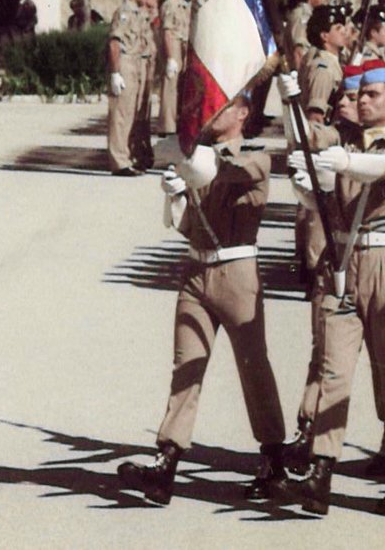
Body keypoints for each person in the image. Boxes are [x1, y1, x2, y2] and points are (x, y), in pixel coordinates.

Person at [116, 92, 288, 504]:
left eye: (223, 104)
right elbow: (191, 224)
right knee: (185, 367)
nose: (211, 111)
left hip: (237, 272)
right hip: (196, 271)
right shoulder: (199, 156)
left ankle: (274, 460)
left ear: (244, 114)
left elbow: (227, 173)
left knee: (253, 367)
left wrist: (189, 166)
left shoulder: (255, 157)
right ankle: (166, 463)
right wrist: (175, 194)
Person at [277, 60, 385, 516]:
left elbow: (382, 166)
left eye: (374, 95)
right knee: (333, 368)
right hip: (341, 260)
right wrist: (290, 102)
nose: (363, 100)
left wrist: (343, 162)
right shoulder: (341, 141)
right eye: (359, 94)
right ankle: (321, 470)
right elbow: (302, 139)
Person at [106, 0, 155, 175]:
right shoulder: (124, 13)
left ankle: (129, 156)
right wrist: (115, 73)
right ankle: (119, 161)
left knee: (134, 113)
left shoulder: (138, 12)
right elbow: (115, 43)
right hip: (126, 63)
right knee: (122, 114)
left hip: (137, 63)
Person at [158, 0, 191, 136]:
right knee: (170, 88)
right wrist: (170, 57)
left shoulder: (182, 5)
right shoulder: (170, 5)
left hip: (183, 46)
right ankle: (167, 126)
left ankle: (176, 121)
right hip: (175, 46)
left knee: (179, 87)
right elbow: (167, 32)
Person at [286, 0, 329, 70]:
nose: (323, 0)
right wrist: (301, 78)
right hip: (299, 71)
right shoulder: (302, 15)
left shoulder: (308, 13)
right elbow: (299, 51)